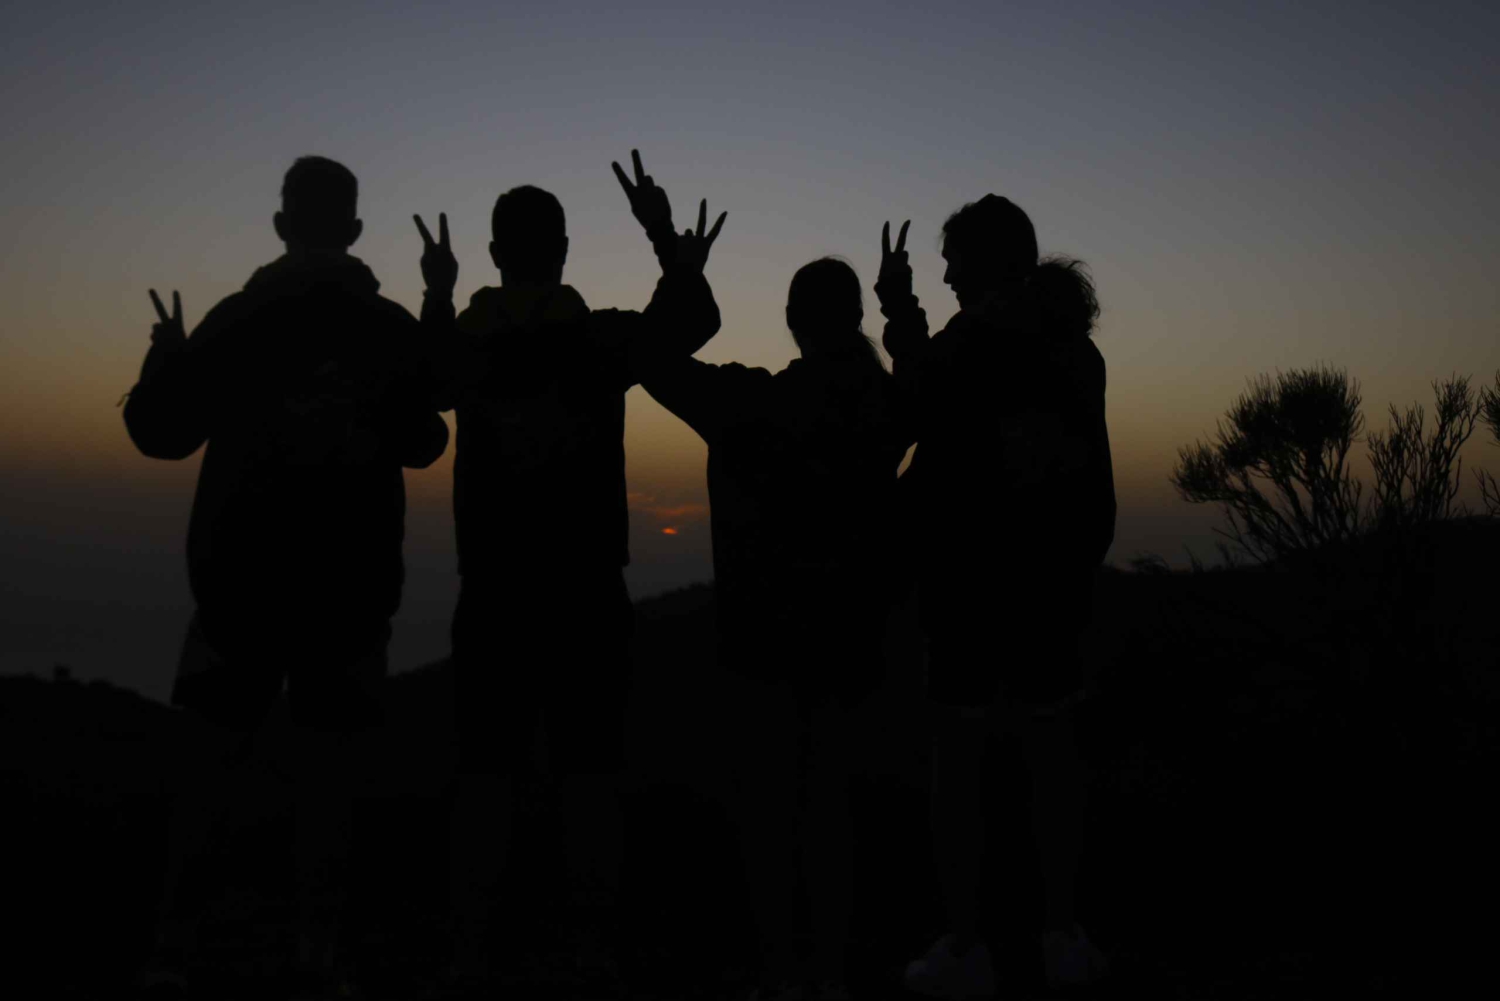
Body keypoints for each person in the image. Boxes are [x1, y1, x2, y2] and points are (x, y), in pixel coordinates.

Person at [123, 155, 449, 999]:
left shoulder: (239, 319)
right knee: (330, 779)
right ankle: (317, 952)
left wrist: (167, 358)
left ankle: (173, 949)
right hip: (349, 592)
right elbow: (425, 441)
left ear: (280, 226)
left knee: (209, 768)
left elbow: (159, 432)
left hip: (238, 587)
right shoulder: (384, 327)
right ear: (354, 230)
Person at [412, 150, 724, 996]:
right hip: (588, 590)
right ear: (563, 249)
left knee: (485, 772)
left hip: (494, 589)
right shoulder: (599, 339)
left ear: (493, 252)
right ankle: (590, 948)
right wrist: (665, 239)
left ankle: (472, 952)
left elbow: (423, 380)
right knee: (591, 772)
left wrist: (437, 291)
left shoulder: (471, 344)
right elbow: (690, 323)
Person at [639, 256, 913, 1001]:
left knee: (767, 811)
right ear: (856, 318)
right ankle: (830, 970)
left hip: (759, 642)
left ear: (792, 320)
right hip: (850, 641)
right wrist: (903, 310)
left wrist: (679, 271)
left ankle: (781, 971)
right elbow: (923, 390)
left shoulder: (746, 403)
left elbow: (654, 361)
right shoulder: (883, 405)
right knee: (833, 808)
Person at [876, 198, 1115, 996]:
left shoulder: (964, 345)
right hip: (1053, 586)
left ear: (984, 261)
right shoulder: (1075, 349)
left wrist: (899, 311)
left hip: (967, 586)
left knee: (959, 767)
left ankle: (967, 943)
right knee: (1052, 760)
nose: (945, 273)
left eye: (953, 259)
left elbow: (906, 413)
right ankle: (1062, 933)